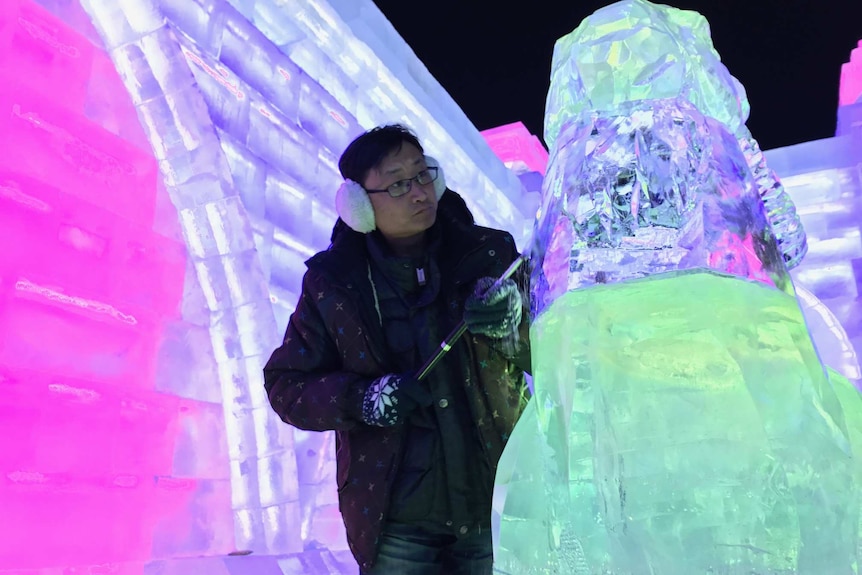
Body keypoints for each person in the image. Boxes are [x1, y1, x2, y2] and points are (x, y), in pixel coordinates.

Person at [263, 124, 531, 574]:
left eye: (423, 175)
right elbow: (286, 386)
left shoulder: (490, 252)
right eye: (398, 183)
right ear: (359, 205)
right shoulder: (333, 284)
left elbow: (552, 347)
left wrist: (512, 325)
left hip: (497, 499)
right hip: (396, 521)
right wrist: (364, 400)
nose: (420, 192)